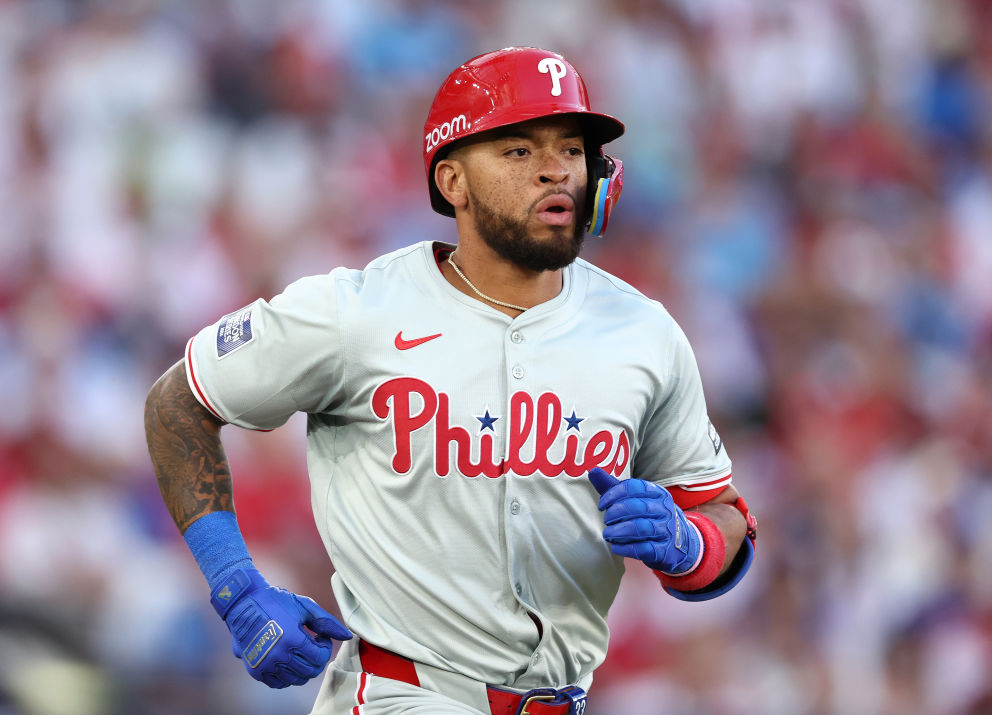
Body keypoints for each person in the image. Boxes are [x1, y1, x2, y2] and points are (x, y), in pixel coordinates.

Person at [144, 46, 757, 715]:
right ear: (453, 181)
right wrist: (236, 585)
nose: (555, 168)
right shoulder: (358, 313)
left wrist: (688, 542)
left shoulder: (644, 332)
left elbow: (724, 516)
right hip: (403, 694)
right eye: (519, 150)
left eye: (572, 150)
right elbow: (180, 400)